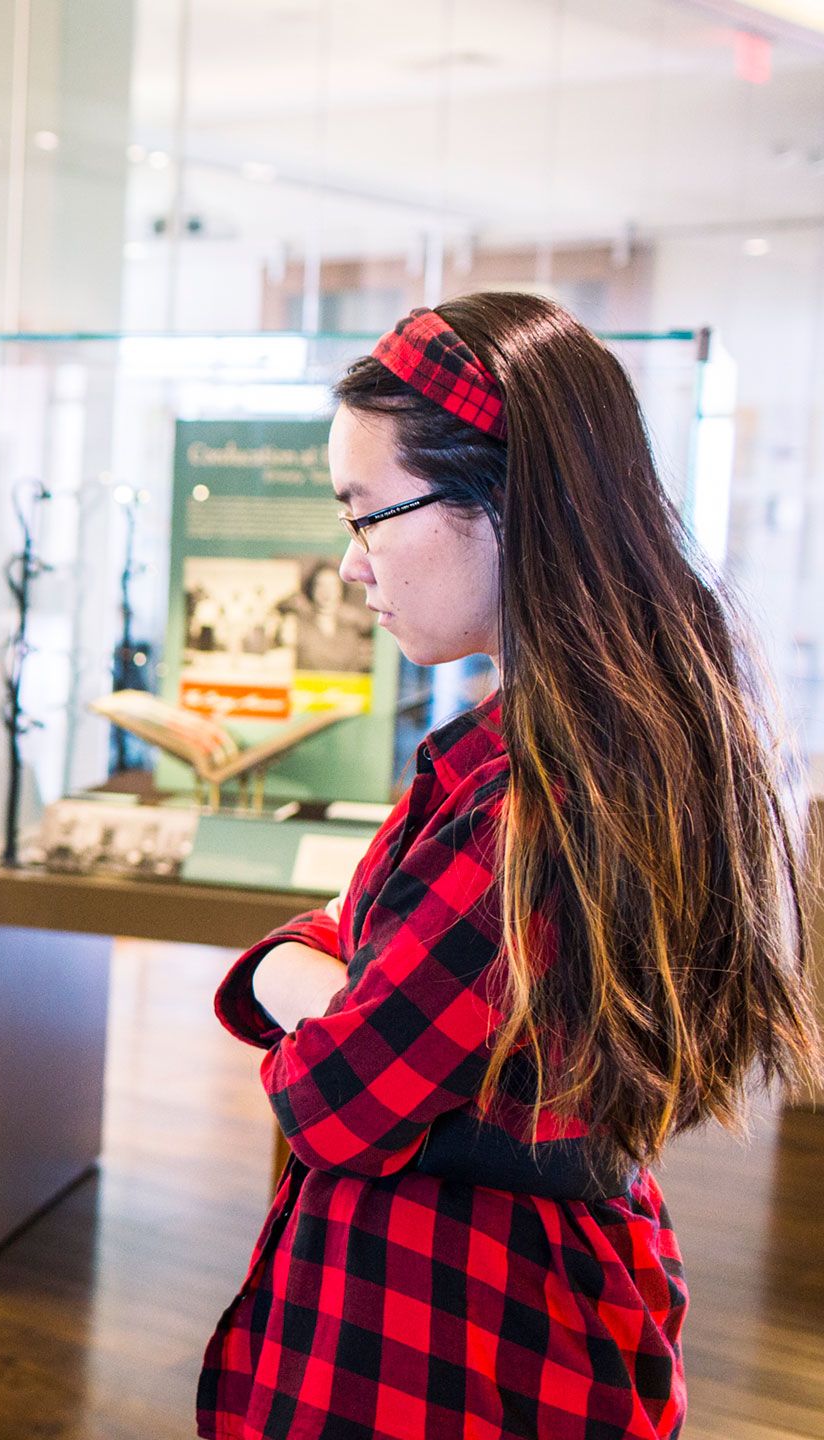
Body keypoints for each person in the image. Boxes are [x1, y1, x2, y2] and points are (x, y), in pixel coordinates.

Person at [199, 296, 819, 1439]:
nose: (349, 564)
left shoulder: (538, 789)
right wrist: (327, 964)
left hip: (445, 1337)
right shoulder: (618, 736)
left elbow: (330, 1096)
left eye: (368, 514)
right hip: (520, 1307)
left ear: (502, 499)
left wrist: (291, 967)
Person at [279, 557, 374, 674]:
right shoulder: (297, 626)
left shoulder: (352, 628)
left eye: (333, 585)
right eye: (320, 585)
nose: (327, 592)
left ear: (341, 591)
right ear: (311, 590)